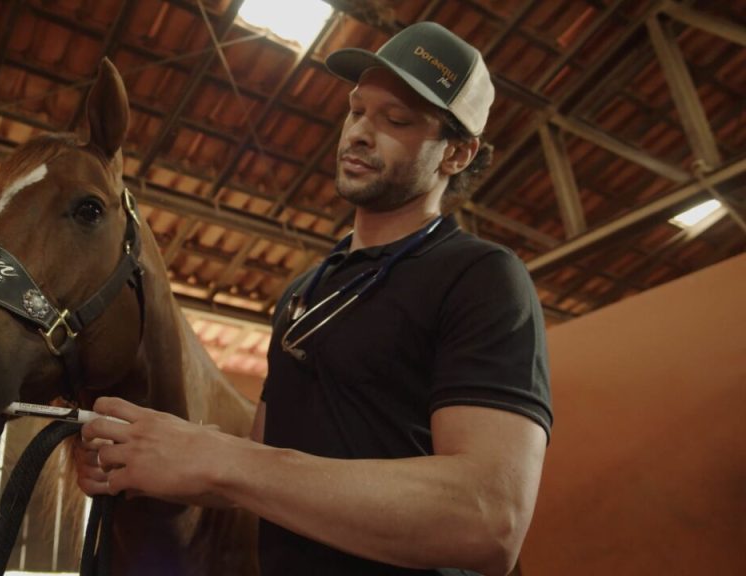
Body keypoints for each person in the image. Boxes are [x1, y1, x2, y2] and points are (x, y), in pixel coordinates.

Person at [76, 21, 552, 576]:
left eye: (396, 120)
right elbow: (259, 470)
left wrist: (223, 460)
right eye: (356, 111)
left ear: (458, 155)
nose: (359, 133)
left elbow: (488, 519)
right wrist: (148, 458)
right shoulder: (303, 293)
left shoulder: (482, 276)